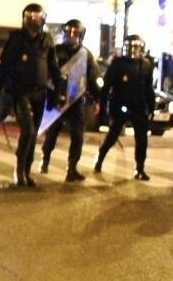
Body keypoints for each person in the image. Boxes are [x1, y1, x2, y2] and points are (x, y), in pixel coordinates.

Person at [0, 3, 63, 187]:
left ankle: (27, 171)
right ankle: (19, 170)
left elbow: (54, 69)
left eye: (37, 17)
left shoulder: (47, 40)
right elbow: (4, 67)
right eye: (30, 17)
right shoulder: (16, 39)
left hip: (40, 93)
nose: (34, 21)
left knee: (34, 134)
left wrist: (57, 93)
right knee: (28, 130)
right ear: (24, 19)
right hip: (20, 92)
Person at [40, 19, 100, 182]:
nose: (71, 36)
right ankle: (45, 159)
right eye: (69, 32)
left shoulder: (86, 55)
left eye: (75, 33)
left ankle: (72, 168)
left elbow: (92, 78)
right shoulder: (56, 51)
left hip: (76, 100)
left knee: (78, 135)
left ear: (81, 35)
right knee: (52, 133)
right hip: (58, 98)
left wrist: (97, 100)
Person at [94, 34, 156, 180]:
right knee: (113, 135)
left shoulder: (145, 65)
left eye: (136, 48)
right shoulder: (117, 63)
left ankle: (140, 168)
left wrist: (151, 107)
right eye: (130, 47)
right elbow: (107, 86)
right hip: (120, 104)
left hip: (139, 106)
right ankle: (100, 158)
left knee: (141, 139)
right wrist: (103, 107)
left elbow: (148, 88)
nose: (133, 51)